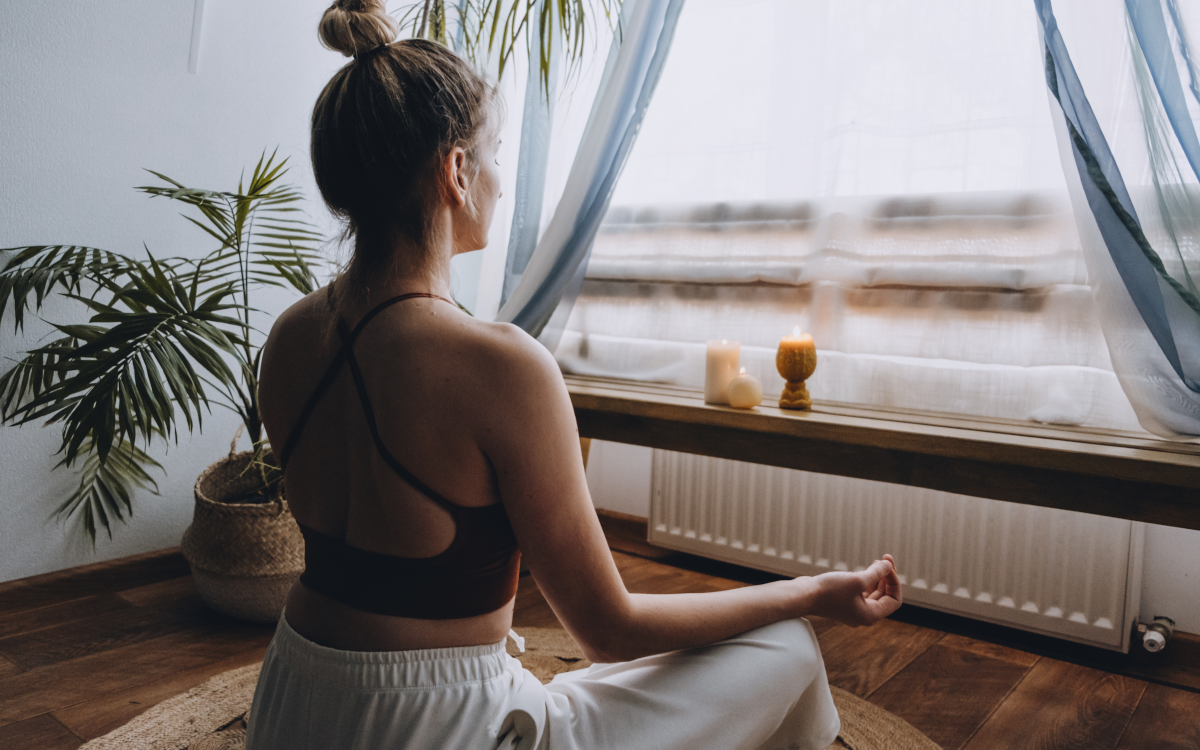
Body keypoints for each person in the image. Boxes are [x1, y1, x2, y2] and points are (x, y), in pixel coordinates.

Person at [246, 2, 903, 748]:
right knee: (783, 644)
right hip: (436, 729)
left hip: (294, 706)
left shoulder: (290, 338)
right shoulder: (500, 366)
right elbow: (610, 629)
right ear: (456, 172)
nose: (500, 178)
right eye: (492, 153)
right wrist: (812, 593)